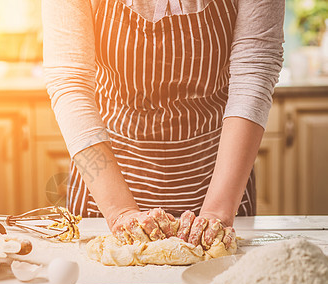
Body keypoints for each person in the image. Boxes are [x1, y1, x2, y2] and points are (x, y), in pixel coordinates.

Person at [42, 0, 284, 244]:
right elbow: (70, 81)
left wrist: (216, 212)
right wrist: (120, 212)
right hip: (106, 186)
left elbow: (255, 69)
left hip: (218, 176)